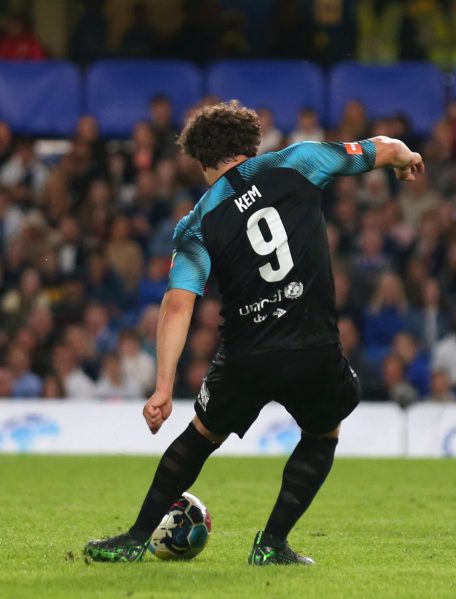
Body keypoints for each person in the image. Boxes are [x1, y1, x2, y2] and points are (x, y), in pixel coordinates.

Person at [84, 101, 423, 564]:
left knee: (200, 436)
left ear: (201, 161)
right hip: (313, 346)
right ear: (251, 144)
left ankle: (135, 539)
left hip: (247, 354)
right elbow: (382, 148)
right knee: (323, 435)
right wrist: (406, 158)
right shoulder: (299, 160)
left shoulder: (196, 224)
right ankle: (271, 544)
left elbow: (179, 302)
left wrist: (163, 386)